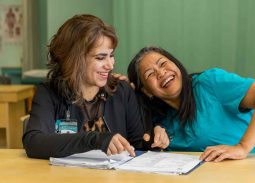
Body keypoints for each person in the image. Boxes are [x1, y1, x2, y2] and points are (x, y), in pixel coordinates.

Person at [22, 15, 168, 159]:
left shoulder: (122, 91)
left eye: (111, 55)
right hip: (67, 180)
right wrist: (96, 139)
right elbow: (34, 142)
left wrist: (153, 139)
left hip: (113, 181)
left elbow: (137, 144)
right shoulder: (48, 93)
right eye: (100, 58)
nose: (110, 65)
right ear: (74, 59)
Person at [127, 46, 255, 162]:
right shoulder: (161, 122)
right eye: (150, 74)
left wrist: (242, 147)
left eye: (163, 64)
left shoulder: (209, 83)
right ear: (146, 91)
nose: (161, 73)